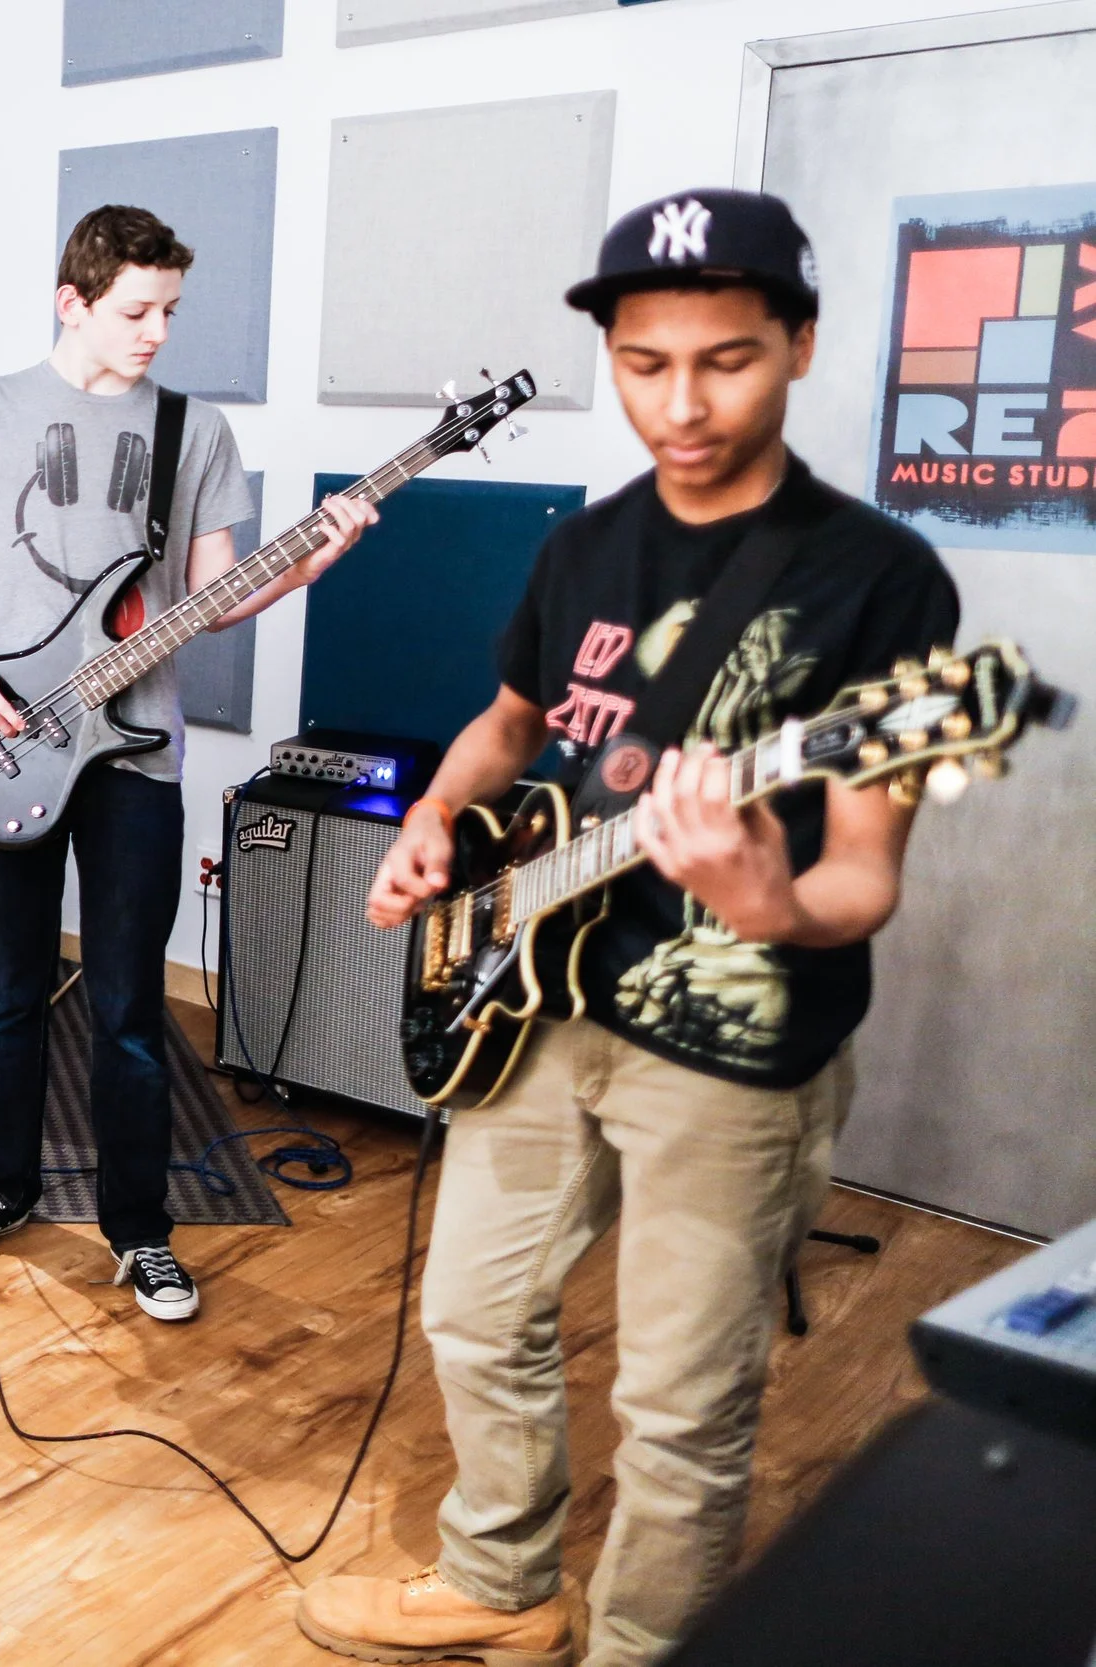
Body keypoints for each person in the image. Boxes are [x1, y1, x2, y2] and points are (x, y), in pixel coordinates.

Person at [298, 191, 960, 1667]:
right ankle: (502, 1579)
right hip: (538, 1006)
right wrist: (436, 816)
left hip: (736, 1048)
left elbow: (865, 874)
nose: (682, 403)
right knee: (474, 1314)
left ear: (799, 343)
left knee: (681, 1401)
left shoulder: (879, 581)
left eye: (727, 359)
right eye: (646, 363)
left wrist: (766, 897)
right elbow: (512, 722)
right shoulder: (585, 549)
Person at [0, 205, 375, 1321]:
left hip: (136, 759)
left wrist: (306, 565)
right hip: (8, 739)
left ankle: (140, 1228)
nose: (158, 332)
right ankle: (0, 1182)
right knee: (3, 988)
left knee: (128, 1006)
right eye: (138, 311)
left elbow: (215, 593)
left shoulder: (194, 430)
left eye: (170, 312)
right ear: (74, 302)